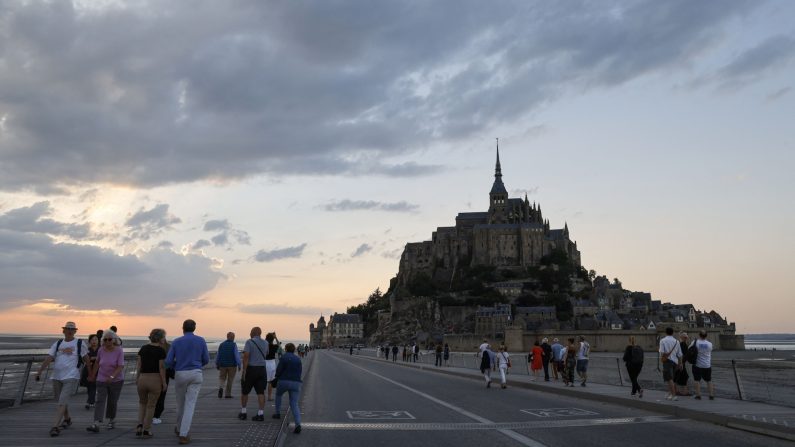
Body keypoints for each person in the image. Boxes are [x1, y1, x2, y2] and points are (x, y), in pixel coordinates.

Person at [35, 321, 89, 437]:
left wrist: (91, 374)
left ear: (75, 331)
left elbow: (86, 359)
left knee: (62, 401)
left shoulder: (80, 343)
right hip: (57, 376)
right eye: (67, 329)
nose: (69, 331)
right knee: (60, 400)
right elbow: (49, 357)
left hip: (72, 375)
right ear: (63, 330)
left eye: (72, 329)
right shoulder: (58, 343)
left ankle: (55, 426)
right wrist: (39, 371)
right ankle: (67, 419)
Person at [166, 319, 209, 444]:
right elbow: (206, 359)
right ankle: (183, 434)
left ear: (182, 328)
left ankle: (179, 429)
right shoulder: (201, 340)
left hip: (180, 374)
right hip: (196, 374)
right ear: (194, 328)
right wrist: (197, 364)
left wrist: (176, 365)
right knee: (190, 405)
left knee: (180, 403)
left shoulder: (176, 341)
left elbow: (168, 361)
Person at [86, 329, 124, 433]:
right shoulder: (101, 350)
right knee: (100, 400)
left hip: (116, 380)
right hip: (101, 379)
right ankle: (96, 423)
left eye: (109, 339)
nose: (107, 341)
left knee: (112, 401)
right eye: (105, 339)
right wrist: (92, 375)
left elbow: (120, 366)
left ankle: (112, 420)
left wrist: (112, 377)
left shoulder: (119, 350)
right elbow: (97, 363)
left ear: (114, 340)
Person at [135, 328, 167, 438]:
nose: (164, 339)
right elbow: (161, 368)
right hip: (155, 379)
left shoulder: (143, 348)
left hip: (142, 378)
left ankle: (139, 425)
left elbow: (139, 365)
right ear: (160, 338)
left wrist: (137, 378)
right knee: (151, 405)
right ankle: (147, 429)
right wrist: (164, 382)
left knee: (142, 403)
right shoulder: (161, 350)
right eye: (163, 337)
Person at [272, 343, 303, 434]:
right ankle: (298, 424)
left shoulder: (284, 357)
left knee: (278, 395)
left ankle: (277, 413)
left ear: (286, 349)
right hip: (296, 383)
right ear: (294, 350)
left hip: (284, 381)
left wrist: (276, 377)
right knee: (294, 403)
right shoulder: (298, 359)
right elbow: (300, 371)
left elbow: (279, 370)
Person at [240, 327, 268, 421]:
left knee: (245, 391)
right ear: (260, 333)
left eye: (250, 331)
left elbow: (246, 356)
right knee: (261, 392)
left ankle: (243, 412)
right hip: (262, 370)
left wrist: (244, 370)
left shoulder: (249, 342)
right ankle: (260, 414)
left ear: (253, 332)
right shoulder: (266, 343)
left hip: (251, 369)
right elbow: (266, 354)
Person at [659, 327, 683, 401]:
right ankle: (669, 393)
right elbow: (679, 354)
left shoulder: (662, 341)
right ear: (672, 333)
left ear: (666, 332)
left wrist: (662, 358)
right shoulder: (677, 341)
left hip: (667, 362)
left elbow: (662, 352)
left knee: (669, 379)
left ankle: (673, 395)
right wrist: (680, 364)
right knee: (671, 379)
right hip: (675, 362)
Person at [152, 334, 171, 425]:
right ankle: (155, 416)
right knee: (159, 395)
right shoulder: (168, 347)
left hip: (159, 373)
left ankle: (155, 415)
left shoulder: (151, 347)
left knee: (159, 395)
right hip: (160, 374)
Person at [215, 332, 241, 399]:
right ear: (231, 337)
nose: (233, 338)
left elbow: (218, 355)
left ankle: (221, 387)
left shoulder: (221, 345)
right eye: (233, 337)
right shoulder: (234, 345)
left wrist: (217, 363)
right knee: (230, 379)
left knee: (222, 378)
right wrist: (239, 364)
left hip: (222, 365)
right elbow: (236, 356)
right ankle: (227, 394)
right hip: (232, 365)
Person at [692, 331, 715, 400]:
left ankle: (698, 395)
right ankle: (711, 395)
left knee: (697, 380)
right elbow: (710, 351)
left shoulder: (695, 342)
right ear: (706, 336)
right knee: (709, 380)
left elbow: (690, 349)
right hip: (707, 365)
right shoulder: (710, 344)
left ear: (699, 335)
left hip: (698, 364)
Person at [83, 334, 99, 410]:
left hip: (98, 370)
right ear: (89, 341)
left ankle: (90, 401)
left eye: (96, 340)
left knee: (93, 385)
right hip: (88, 370)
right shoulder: (87, 350)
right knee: (89, 386)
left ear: (98, 341)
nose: (94, 341)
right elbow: (84, 359)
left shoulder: (101, 350)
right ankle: (91, 401)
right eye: (92, 340)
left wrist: (93, 358)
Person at [265, 332, 280, 401]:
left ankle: (261, 395)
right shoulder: (274, 346)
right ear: (272, 339)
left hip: (264, 362)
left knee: (262, 380)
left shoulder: (264, 345)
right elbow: (278, 344)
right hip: (271, 363)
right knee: (270, 381)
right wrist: (275, 337)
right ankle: (269, 397)